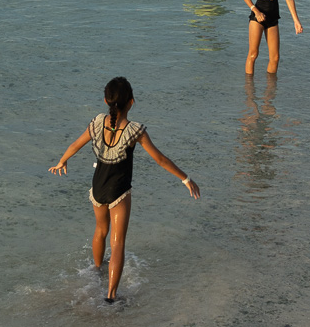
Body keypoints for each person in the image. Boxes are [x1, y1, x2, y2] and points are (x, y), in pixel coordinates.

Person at [49, 76, 199, 302]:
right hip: (119, 191)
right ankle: (110, 296)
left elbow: (74, 145)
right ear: (132, 101)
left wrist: (62, 161)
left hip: (97, 187)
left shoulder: (97, 122)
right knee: (117, 243)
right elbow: (160, 159)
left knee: (100, 230)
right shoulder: (135, 131)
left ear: (106, 100)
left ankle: (96, 270)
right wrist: (185, 178)